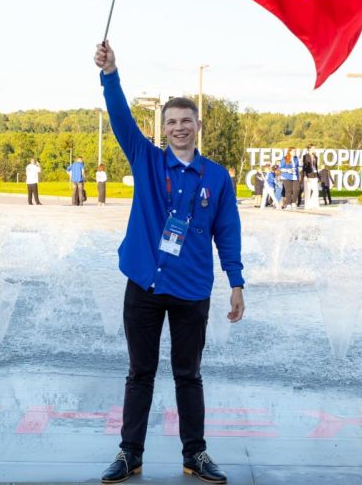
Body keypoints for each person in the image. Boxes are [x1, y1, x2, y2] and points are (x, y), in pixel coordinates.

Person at [95, 41, 244, 485]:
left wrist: (235, 282)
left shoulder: (215, 177)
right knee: (140, 373)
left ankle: (194, 454)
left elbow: (227, 233)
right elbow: (119, 115)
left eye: (186, 121)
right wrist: (111, 74)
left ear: (198, 126)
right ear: (163, 129)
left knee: (188, 375)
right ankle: (130, 455)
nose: (179, 128)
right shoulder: (146, 159)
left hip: (192, 291)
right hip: (143, 285)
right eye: (172, 123)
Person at [302, 144, 320, 209]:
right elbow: (304, 166)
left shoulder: (315, 156)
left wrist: (318, 176)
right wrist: (304, 175)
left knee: (316, 191)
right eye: (313, 148)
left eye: (314, 148)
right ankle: (307, 206)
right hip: (308, 175)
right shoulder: (305, 156)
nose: (314, 149)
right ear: (309, 149)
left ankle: (313, 204)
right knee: (307, 192)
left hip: (314, 175)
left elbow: (316, 167)